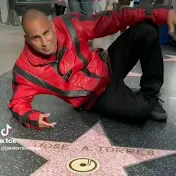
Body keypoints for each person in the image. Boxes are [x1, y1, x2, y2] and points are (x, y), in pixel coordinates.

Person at [8, 5, 176, 130]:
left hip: (107, 64)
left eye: (46, 33)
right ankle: (143, 103)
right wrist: (32, 118)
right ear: (26, 38)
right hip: (94, 98)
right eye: (36, 38)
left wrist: (162, 14)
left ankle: (150, 94)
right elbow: (17, 104)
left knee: (146, 29)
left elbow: (111, 19)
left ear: (52, 25)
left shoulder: (69, 25)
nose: (44, 43)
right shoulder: (25, 70)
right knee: (142, 111)